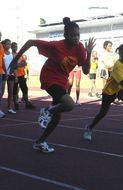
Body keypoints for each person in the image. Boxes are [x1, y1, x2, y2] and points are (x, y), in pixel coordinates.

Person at [10, 17, 96, 153]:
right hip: (49, 78)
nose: (76, 38)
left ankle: (40, 141)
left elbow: (85, 71)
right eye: (72, 35)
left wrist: (89, 52)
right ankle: (47, 110)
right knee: (69, 104)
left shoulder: (80, 48)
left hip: (61, 81)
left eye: (78, 35)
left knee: (57, 118)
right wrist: (15, 59)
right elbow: (30, 42)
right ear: (65, 35)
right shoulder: (56, 46)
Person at [83, 43, 123, 141]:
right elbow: (122, 82)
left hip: (120, 89)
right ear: (120, 54)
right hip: (110, 90)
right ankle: (89, 128)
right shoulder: (117, 66)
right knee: (103, 113)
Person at [11, 42, 35, 110]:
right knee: (15, 90)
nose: (15, 48)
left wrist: (17, 64)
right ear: (11, 47)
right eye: (14, 46)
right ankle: (16, 104)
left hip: (22, 74)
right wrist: (19, 64)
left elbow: (25, 63)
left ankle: (27, 103)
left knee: (25, 89)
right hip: (14, 75)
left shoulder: (20, 54)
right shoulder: (11, 55)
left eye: (16, 46)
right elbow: (12, 65)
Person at [2, 39, 17, 114]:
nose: (9, 46)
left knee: (10, 92)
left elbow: (12, 65)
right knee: (1, 92)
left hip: (11, 74)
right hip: (3, 74)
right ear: (3, 44)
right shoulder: (2, 53)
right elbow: (3, 64)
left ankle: (9, 108)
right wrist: (6, 72)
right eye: (7, 44)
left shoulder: (11, 54)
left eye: (10, 44)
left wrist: (16, 75)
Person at [0, 32, 5, 118]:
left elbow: (2, 58)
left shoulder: (1, 46)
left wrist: (5, 70)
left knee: (0, 91)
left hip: (0, 72)